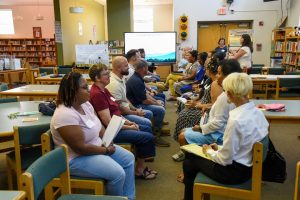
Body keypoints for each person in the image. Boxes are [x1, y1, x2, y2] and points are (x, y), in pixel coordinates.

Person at [183, 72, 269, 200]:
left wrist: (210, 152)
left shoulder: (235, 120)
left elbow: (225, 160)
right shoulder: (257, 112)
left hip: (234, 173)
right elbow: (243, 144)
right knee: (194, 160)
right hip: (249, 166)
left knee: (189, 163)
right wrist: (219, 148)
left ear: (228, 93)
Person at [50, 72, 135, 200]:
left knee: (128, 158)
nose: (89, 89)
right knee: (118, 174)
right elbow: (81, 148)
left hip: (97, 147)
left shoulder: (85, 104)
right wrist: (105, 150)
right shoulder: (64, 114)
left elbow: (98, 125)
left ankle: (128, 197)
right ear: (73, 91)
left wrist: (107, 140)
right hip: (76, 158)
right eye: (84, 87)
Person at [89, 63, 157, 180]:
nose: (109, 76)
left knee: (146, 128)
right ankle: (139, 171)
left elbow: (116, 112)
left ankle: (140, 161)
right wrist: (129, 127)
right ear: (97, 78)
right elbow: (109, 122)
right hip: (110, 133)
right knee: (147, 137)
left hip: (117, 124)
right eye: (106, 74)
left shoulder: (104, 90)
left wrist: (128, 122)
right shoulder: (97, 94)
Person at [126, 59, 170, 147]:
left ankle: (158, 128)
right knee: (160, 110)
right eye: (147, 67)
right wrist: (157, 104)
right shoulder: (136, 80)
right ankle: (156, 135)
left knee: (159, 103)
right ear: (142, 68)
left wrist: (156, 101)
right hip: (136, 105)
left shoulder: (138, 77)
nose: (148, 69)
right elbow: (144, 100)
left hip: (139, 102)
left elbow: (145, 94)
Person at [106, 56, 153, 128]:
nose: (128, 67)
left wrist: (135, 109)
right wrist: (136, 113)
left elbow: (125, 99)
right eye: (126, 65)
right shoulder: (114, 84)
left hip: (127, 109)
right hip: (122, 114)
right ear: (118, 68)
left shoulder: (122, 77)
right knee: (147, 122)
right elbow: (119, 109)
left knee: (148, 114)